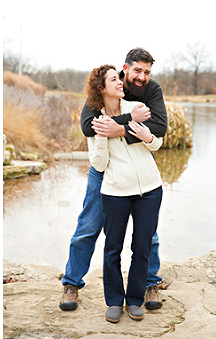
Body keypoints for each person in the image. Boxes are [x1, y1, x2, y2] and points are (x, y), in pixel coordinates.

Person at [60, 48, 167, 311]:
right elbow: (88, 126)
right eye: (137, 70)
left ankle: (150, 282)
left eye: (146, 71)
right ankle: (71, 283)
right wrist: (127, 121)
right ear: (125, 68)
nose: (141, 77)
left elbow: (160, 127)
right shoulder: (106, 84)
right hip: (105, 173)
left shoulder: (151, 91)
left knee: (147, 235)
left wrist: (119, 129)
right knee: (88, 227)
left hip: (139, 170)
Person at [84, 64, 163, 323]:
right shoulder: (96, 121)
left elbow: (158, 142)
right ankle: (115, 301)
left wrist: (148, 137)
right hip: (115, 192)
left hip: (150, 190)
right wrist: (102, 137)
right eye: (113, 80)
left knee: (142, 247)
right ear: (101, 88)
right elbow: (98, 164)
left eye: (120, 78)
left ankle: (135, 299)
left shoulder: (136, 109)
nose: (120, 82)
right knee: (112, 249)